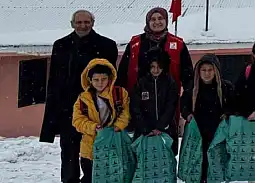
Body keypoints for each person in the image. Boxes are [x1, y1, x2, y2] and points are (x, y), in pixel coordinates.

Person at [40, 10, 118, 183]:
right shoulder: (61, 45)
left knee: (94, 154)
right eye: (79, 22)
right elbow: (54, 81)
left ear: (93, 23)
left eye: (86, 22)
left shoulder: (107, 45)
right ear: (72, 23)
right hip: (68, 108)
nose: (83, 26)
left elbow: (111, 81)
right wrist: (52, 116)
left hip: (96, 110)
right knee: (69, 153)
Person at [71, 58, 130, 183]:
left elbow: (126, 112)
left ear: (110, 78)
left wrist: (118, 125)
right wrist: (93, 127)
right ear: (90, 80)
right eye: (96, 80)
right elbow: (77, 120)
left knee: (115, 177)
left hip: (114, 145)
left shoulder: (119, 93)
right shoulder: (83, 99)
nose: (100, 83)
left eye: (103, 79)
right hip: (91, 147)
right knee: (91, 178)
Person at [181, 54, 235, 183]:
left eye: (210, 70)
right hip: (198, 132)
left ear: (216, 71)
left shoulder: (225, 87)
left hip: (217, 132)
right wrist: (187, 114)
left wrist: (227, 113)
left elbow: (234, 104)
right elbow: (183, 105)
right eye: (204, 70)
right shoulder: (192, 88)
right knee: (199, 163)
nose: (207, 73)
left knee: (216, 163)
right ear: (198, 71)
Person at [116, 7, 193, 98]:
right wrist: (119, 97)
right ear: (148, 22)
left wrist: (186, 99)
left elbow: (188, 76)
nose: (157, 22)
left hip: (169, 100)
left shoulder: (178, 44)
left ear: (166, 20)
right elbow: (122, 73)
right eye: (153, 19)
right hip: (139, 100)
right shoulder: (135, 43)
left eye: (160, 18)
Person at [130, 51, 180, 156]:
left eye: (159, 67)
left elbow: (171, 106)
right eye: (152, 67)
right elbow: (135, 107)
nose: (156, 70)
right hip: (144, 132)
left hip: (166, 130)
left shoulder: (170, 83)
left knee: (166, 161)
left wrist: (160, 126)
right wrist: (145, 128)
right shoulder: (141, 83)